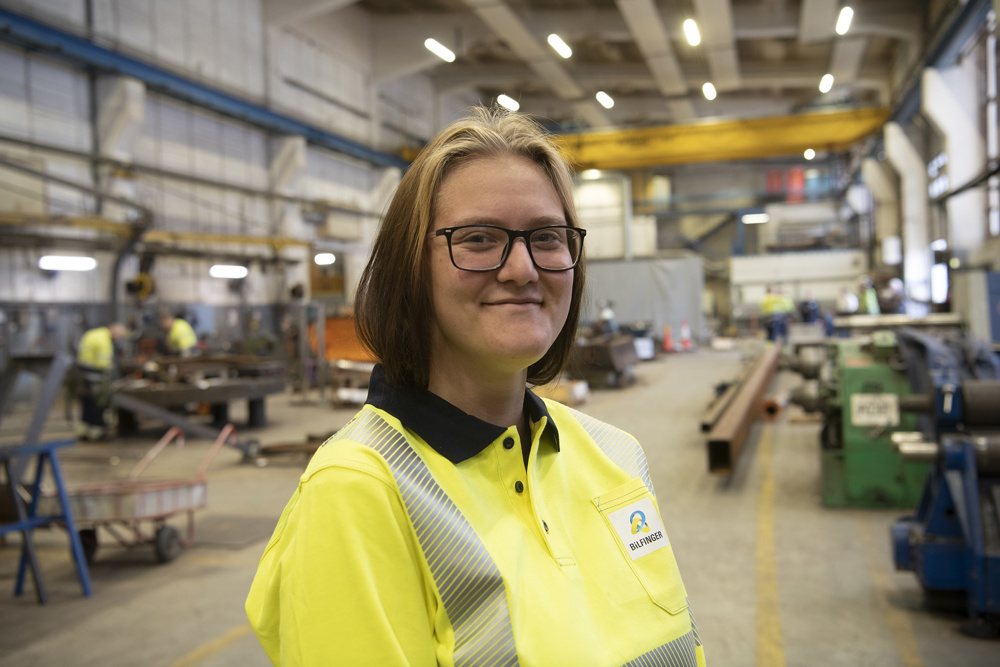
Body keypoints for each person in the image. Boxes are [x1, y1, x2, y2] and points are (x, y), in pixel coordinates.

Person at [246, 108, 705, 666]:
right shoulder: (360, 492)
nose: (522, 268)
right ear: (410, 269)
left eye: (547, 237)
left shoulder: (617, 456)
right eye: (480, 239)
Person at [75, 322, 127, 441]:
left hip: (82, 373)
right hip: (94, 375)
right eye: (119, 336)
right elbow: (104, 364)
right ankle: (96, 431)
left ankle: (83, 429)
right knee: (99, 402)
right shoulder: (104, 341)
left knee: (86, 401)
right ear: (114, 332)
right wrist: (111, 367)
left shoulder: (93, 333)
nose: (118, 339)